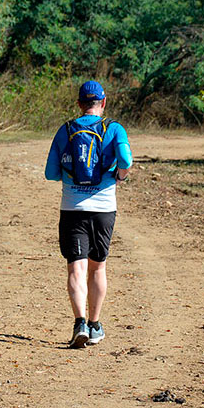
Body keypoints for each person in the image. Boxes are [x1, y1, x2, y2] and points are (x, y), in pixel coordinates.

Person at [45, 81, 132, 348]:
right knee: (98, 267)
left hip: (73, 208)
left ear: (79, 104)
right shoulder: (114, 129)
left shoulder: (66, 130)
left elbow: (50, 173)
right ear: (103, 103)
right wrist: (120, 175)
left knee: (76, 267)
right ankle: (95, 325)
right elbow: (126, 161)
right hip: (104, 209)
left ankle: (79, 322)